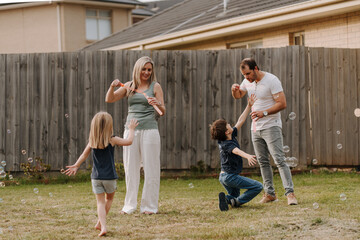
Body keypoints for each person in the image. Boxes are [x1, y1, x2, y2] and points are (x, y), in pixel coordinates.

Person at [231, 58, 298, 205]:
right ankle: (270, 194)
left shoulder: (272, 80)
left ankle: (290, 194)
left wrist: (264, 113)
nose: (246, 78)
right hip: (256, 128)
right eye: (243, 75)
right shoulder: (247, 82)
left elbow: (282, 103)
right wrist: (234, 90)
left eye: (248, 74)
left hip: (271, 125)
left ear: (255, 69)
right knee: (263, 162)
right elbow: (238, 96)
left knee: (279, 160)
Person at [105, 56, 165, 215]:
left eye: (149, 69)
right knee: (130, 169)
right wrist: (112, 86)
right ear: (138, 69)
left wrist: (157, 103)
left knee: (151, 168)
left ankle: (149, 207)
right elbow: (109, 99)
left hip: (150, 131)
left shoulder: (155, 86)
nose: (146, 72)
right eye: (144, 69)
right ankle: (129, 206)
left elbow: (163, 110)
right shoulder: (129, 86)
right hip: (131, 130)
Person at [65, 112, 138, 236]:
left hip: (96, 177)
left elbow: (84, 155)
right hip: (109, 177)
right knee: (109, 199)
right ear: (110, 126)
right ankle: (101, 224)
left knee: (100, 202)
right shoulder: (112, 139)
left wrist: (76, 165)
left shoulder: (92, 141)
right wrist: (131, 129)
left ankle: (101, 225)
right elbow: (129, 141)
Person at [210, 94, 263, 211]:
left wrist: (249, 106)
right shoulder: (227, 144)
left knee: (234, 195)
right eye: (228, 125)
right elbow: (237, 151)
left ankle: (228, 199)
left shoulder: (229, 136)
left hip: (223, 176)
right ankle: (237, 202)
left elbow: (241, 120)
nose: (230, 125)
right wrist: (248, 156)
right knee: (258, 186)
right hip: (230, 177)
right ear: (226, 132)